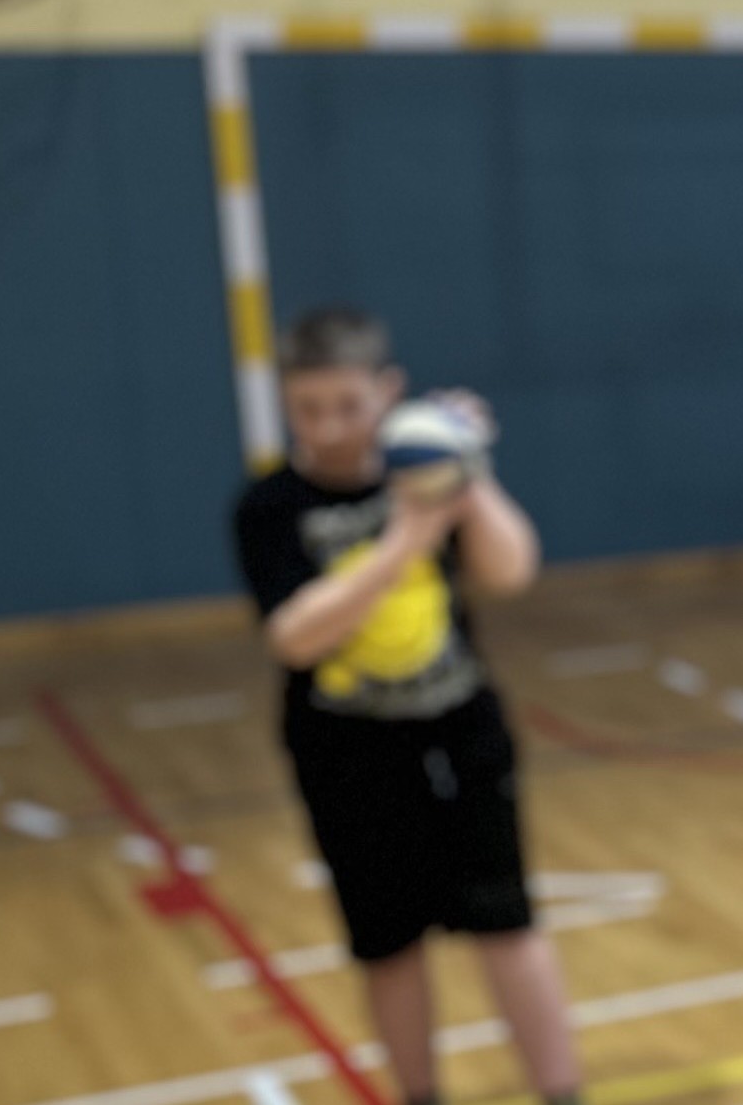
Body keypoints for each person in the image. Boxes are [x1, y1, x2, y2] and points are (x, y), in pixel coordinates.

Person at [231, 309, 581, 1105]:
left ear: (387, 393)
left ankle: (562, 1092)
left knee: (507, 920)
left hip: (460, 729)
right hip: (343, 748)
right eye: (307, 408)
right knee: (387, 942)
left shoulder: (425, 476)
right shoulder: (271, 507)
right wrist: (401, 543)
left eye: (348, 406)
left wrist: (470, 470)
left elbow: (511, 569)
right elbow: (294, 636)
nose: (329, 427)